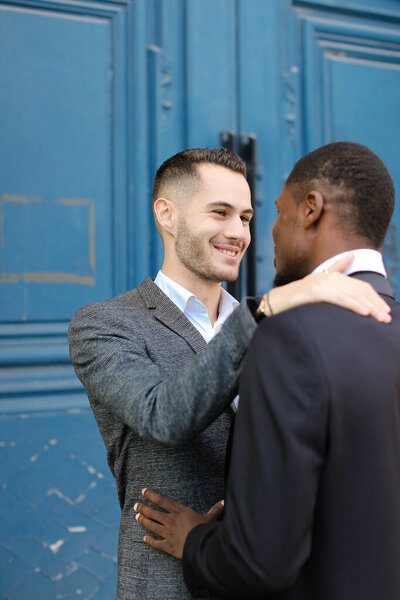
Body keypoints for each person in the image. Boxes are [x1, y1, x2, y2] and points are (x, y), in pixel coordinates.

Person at [69, 147, 391, 600]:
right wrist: (264, 312)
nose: (238, 233)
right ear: (168, 214)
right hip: (169, 585)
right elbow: (161, 416)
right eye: (220, 213)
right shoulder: (104, 324)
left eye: (246, 217)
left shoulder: (280, 325)